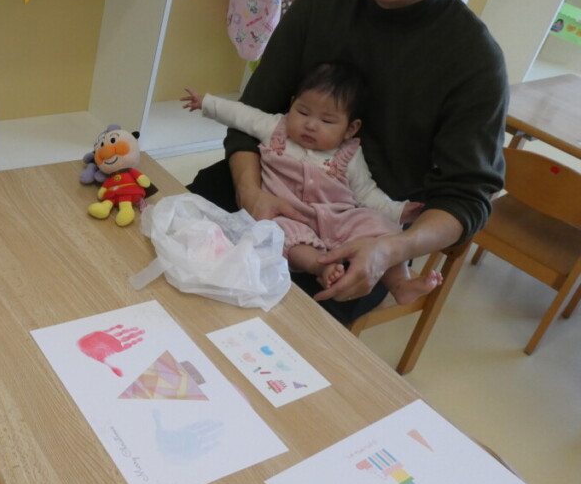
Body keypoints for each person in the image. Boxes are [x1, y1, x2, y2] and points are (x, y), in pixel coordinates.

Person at [187, 0, 508, 322]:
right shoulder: (317, 10)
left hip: (356, 236)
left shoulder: (473, 61)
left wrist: (391, 250)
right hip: (267, 185)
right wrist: (251, 195)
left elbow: (467, 200)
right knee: (161, 252)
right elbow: (250, 120)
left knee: (269, 334)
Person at [182, 62, 441, 305]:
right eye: (303, 112)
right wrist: (207, 103)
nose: (310, 125)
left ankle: (400, 284)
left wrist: (398, 211)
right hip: (288, 213)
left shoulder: (349, 155)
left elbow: (367, 194)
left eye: (326, 121)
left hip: (340, 217)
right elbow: (243, 115)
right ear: (292, 104)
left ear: (350, 129)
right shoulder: (276, 128)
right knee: (280, 234)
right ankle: (321, 266)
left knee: (379, 226)